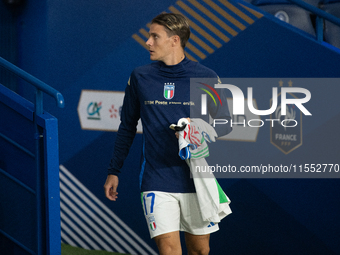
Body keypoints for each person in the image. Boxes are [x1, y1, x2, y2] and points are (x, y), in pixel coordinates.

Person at [104, 13, 232, 255]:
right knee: (169, 249)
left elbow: (225, 123)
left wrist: (199, 131)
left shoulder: (206, 77)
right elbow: (127, 126)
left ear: (175, 40)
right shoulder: (140, 77)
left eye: (155, 37)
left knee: (200, 251)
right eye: (149, 36)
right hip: (156, 178)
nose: (148, 42)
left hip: (196, 177)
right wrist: (114, 170)